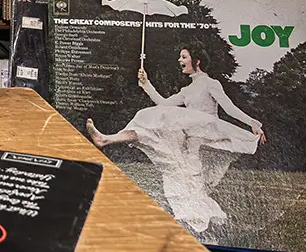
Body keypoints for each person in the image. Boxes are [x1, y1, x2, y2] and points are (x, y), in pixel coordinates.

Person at [86, 46, 265, 235]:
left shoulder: (210, 83)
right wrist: (146, 84)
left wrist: (252, 123)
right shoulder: (187, 90)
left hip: (205, 137)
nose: (180, 60)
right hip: (189, 142)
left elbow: (229, 108)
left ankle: (201, 226)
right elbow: (164, 104)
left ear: (197, 61)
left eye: (184, 57)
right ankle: (106, 139)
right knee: (152, 133)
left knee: (192, 180)